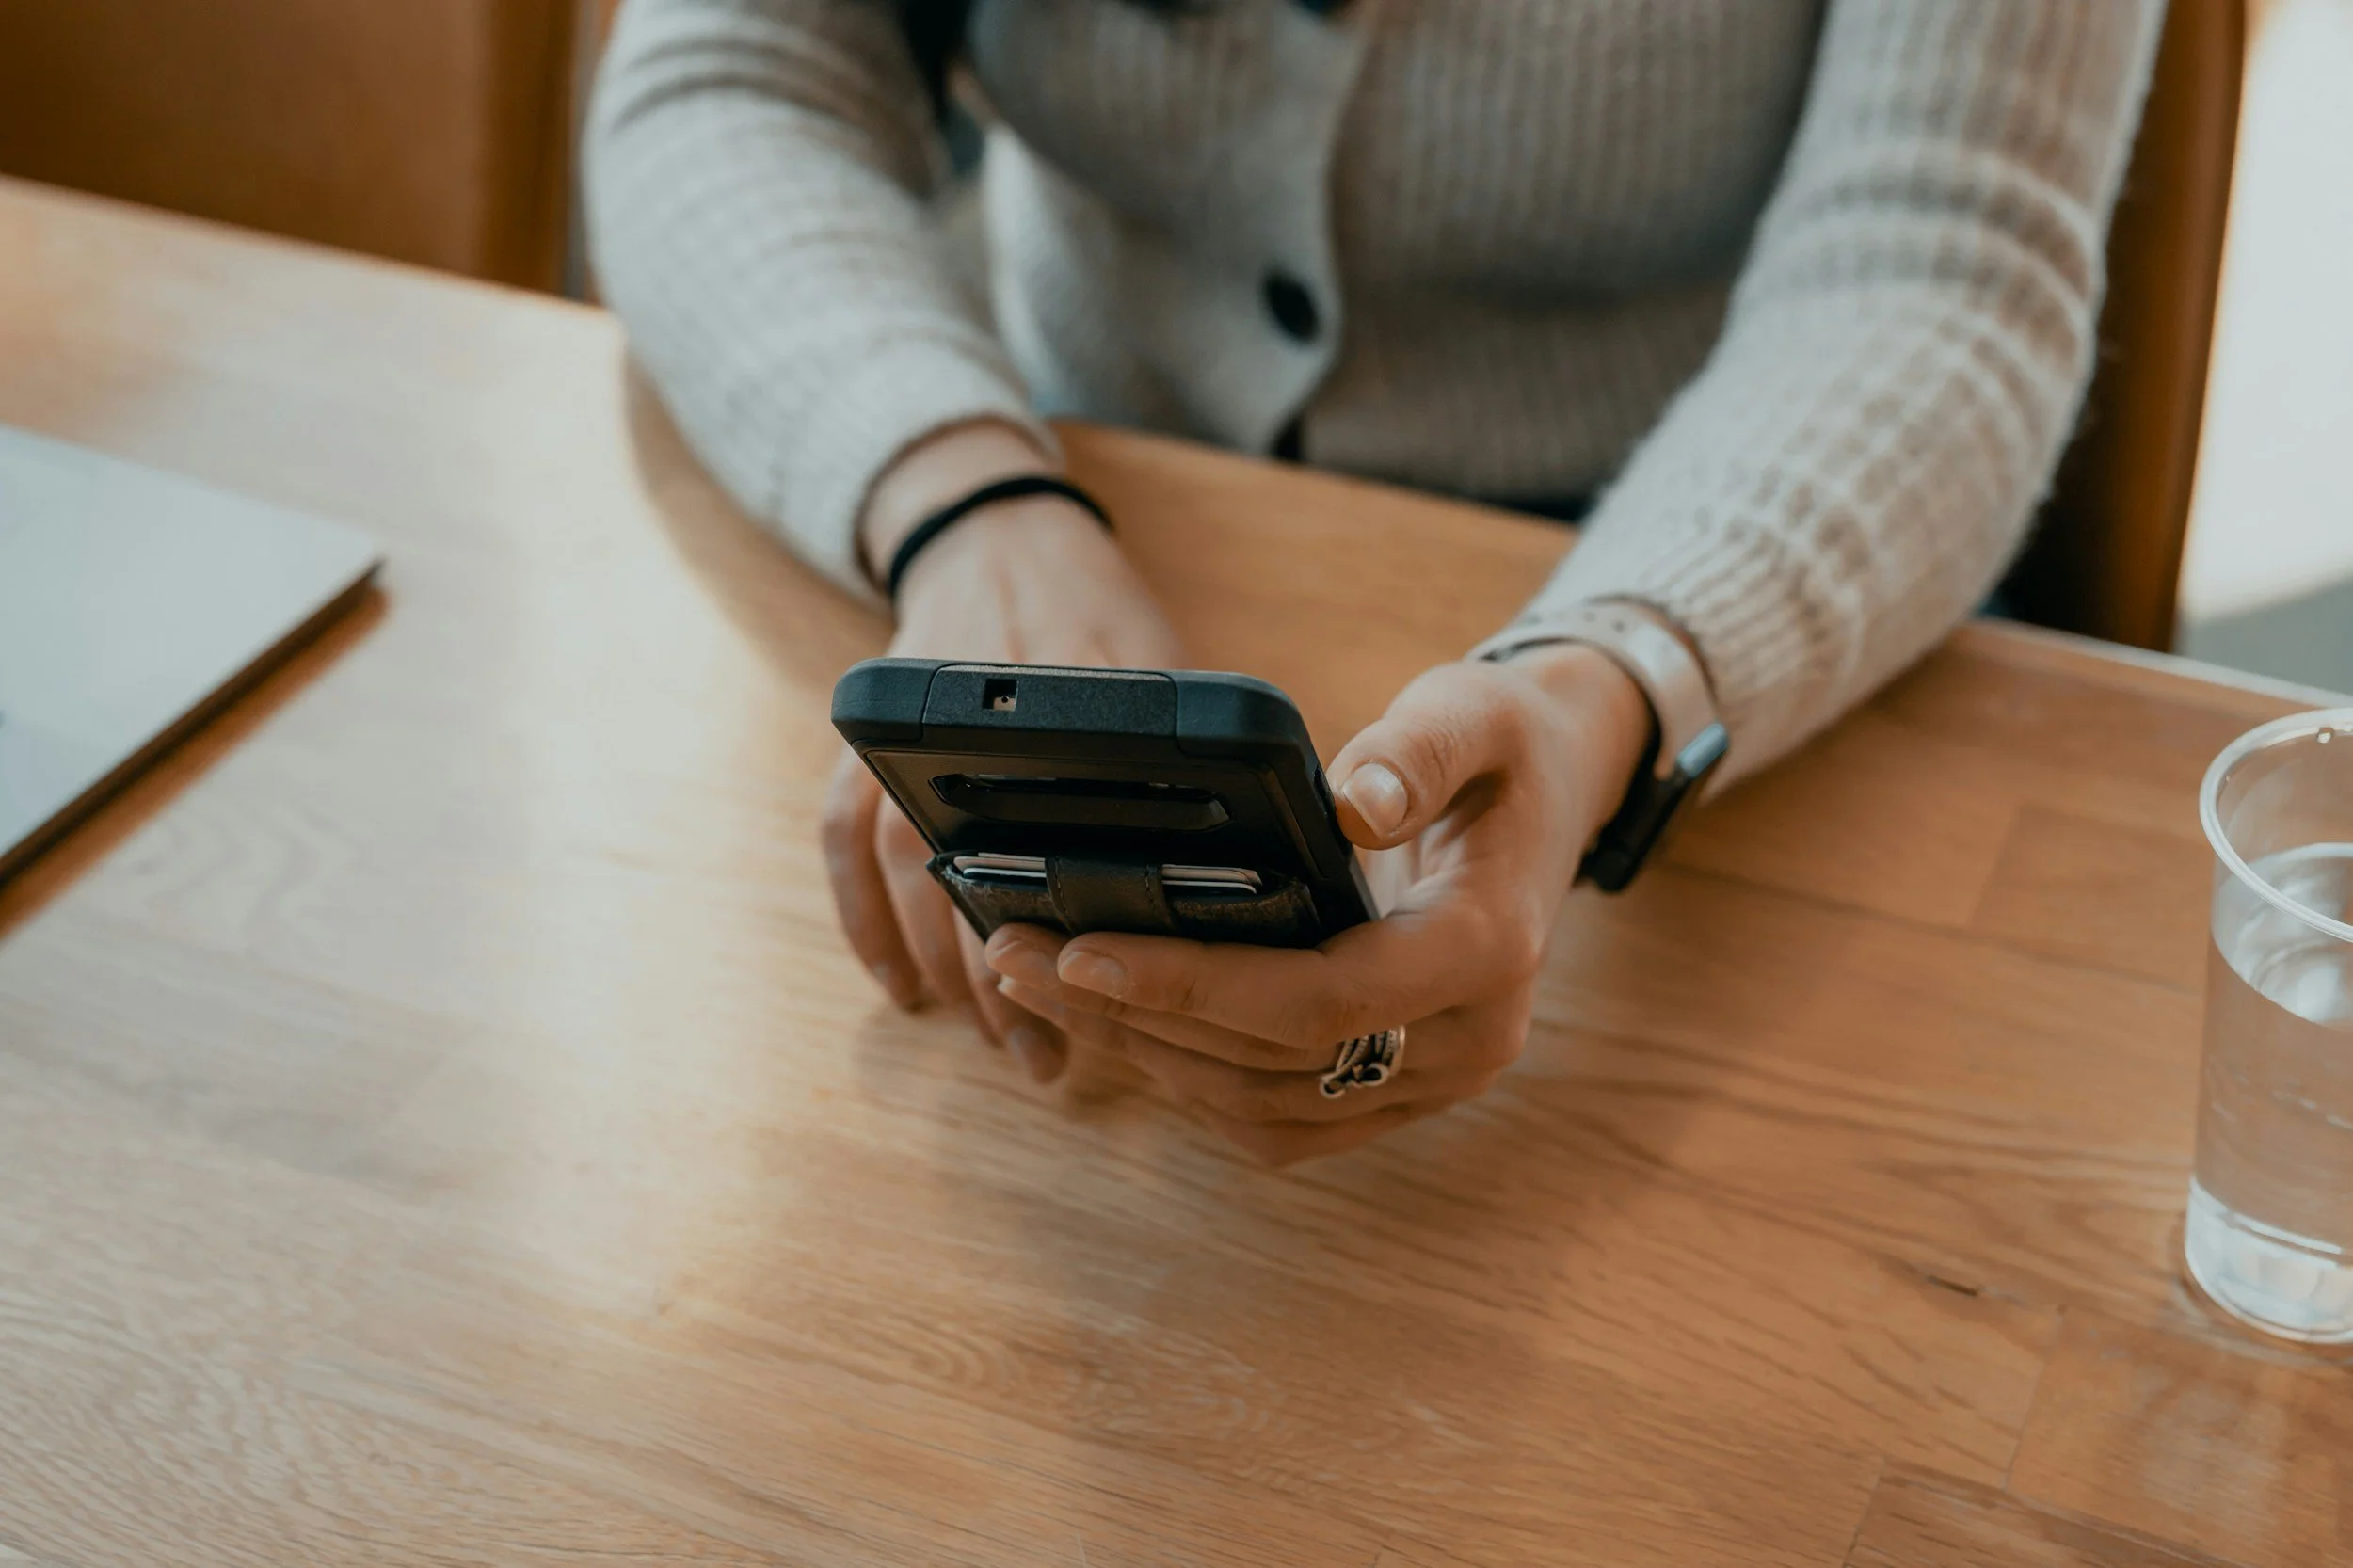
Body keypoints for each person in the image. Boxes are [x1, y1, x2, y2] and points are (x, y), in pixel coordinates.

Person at [586, 0, 2164, 1163]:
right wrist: (965, 495)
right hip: (1079, 482)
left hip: (1730, 606)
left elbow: (1943, 260)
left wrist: (1614, 672)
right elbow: (731, 74)